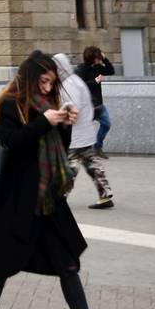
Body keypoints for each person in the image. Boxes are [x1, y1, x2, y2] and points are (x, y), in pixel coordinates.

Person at [0, 50, 126, 309]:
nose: (47, 87)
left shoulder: (48, 105)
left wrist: (64, 122)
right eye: (42, 81)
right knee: (0, 267)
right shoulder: (8, 104)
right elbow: (14, 144)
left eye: (51, 82)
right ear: (29, 78)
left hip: (47, 201)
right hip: (15, 203)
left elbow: (57, 145)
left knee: (68, 265)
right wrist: (44, 122)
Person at [53, 53, 113, 209]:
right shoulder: (74, 80)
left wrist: (56, 118)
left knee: (69, 167)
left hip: (75, 134)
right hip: (84, 132)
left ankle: (59, 197)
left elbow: (73, 108)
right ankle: (105, 194)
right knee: (91, 163)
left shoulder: (68, 84)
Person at [78, 44, 115, 156]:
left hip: (98, 104)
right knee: (83, 129)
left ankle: (97, 147)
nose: (100, 58)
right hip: (87, 105)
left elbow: (110, 71)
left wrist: (105, 59)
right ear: (93, 59)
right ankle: (82, 150)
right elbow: (80, 85)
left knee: (106, 124)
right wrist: (95, 81)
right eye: (99, 57)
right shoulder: (81, 69)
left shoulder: (97, 67)